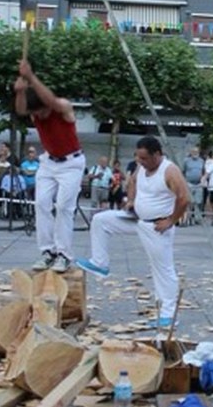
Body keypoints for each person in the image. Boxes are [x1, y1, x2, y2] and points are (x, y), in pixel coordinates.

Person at [76, 136, 189, 328]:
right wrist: (130, 201)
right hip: (137, 218)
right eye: (138, 158)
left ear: (157, 154)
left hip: (157, 226)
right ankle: (100, 262)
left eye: (144, 158)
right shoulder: (141, 167)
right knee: (101, 220)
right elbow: (133, 181)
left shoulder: (170, 171)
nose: (141, 162)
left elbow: (184, 198)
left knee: (162, 270)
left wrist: (171, 221)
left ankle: (169, 315)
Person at [14, 60, 86, 273]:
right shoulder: (36, 112)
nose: (40, 117)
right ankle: (48, 251)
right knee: (42, 203)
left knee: (64, 207)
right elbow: (20, 111)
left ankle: (64, 254)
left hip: (71, 163)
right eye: (36, 114)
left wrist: (31, 76)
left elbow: (53, 102)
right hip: (49, 162)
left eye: (43, 112)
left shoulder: (61, 107)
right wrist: (19, 91)